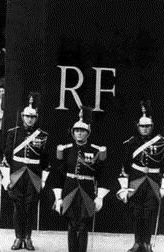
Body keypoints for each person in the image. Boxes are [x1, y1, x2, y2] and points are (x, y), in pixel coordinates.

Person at [50, 106, 109, 252]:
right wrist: (58, 198)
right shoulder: (66, 149)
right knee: (71, 225)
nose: (79, 133)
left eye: (82, 131)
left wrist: (100, 197)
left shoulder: (96, 150)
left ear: (88, 133)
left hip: (87, 190)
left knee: (83, 225)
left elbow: (101, 175)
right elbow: (59, 175)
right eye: (76, 131)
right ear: (73, 132)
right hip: (69, 189)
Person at [117, 102, 164, 252]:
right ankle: (137, 242)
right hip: (136, 181)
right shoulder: (130, 143)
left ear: (151, 127)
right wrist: (124, 187)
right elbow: (125, 167)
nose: (144, 129)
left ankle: (147, 242)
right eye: (142, 126)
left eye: (147, 126)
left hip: (152, 181)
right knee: (136, 213)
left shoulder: (162, 142)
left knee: (149, 214)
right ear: (138, 127)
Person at [4, 103, 49, 250]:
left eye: (33, 117)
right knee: (18, 206)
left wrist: (43, 179)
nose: (30, 119)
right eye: (27, 116)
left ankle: (28, 238)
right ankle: (18, 237)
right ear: (23, 117)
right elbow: (7, 156)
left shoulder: (43, 135)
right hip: (17, 174)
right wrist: (7, 176)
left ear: (36, 118)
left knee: (30, 207)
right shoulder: (13, 133)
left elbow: (46, 160)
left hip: (33, 175)